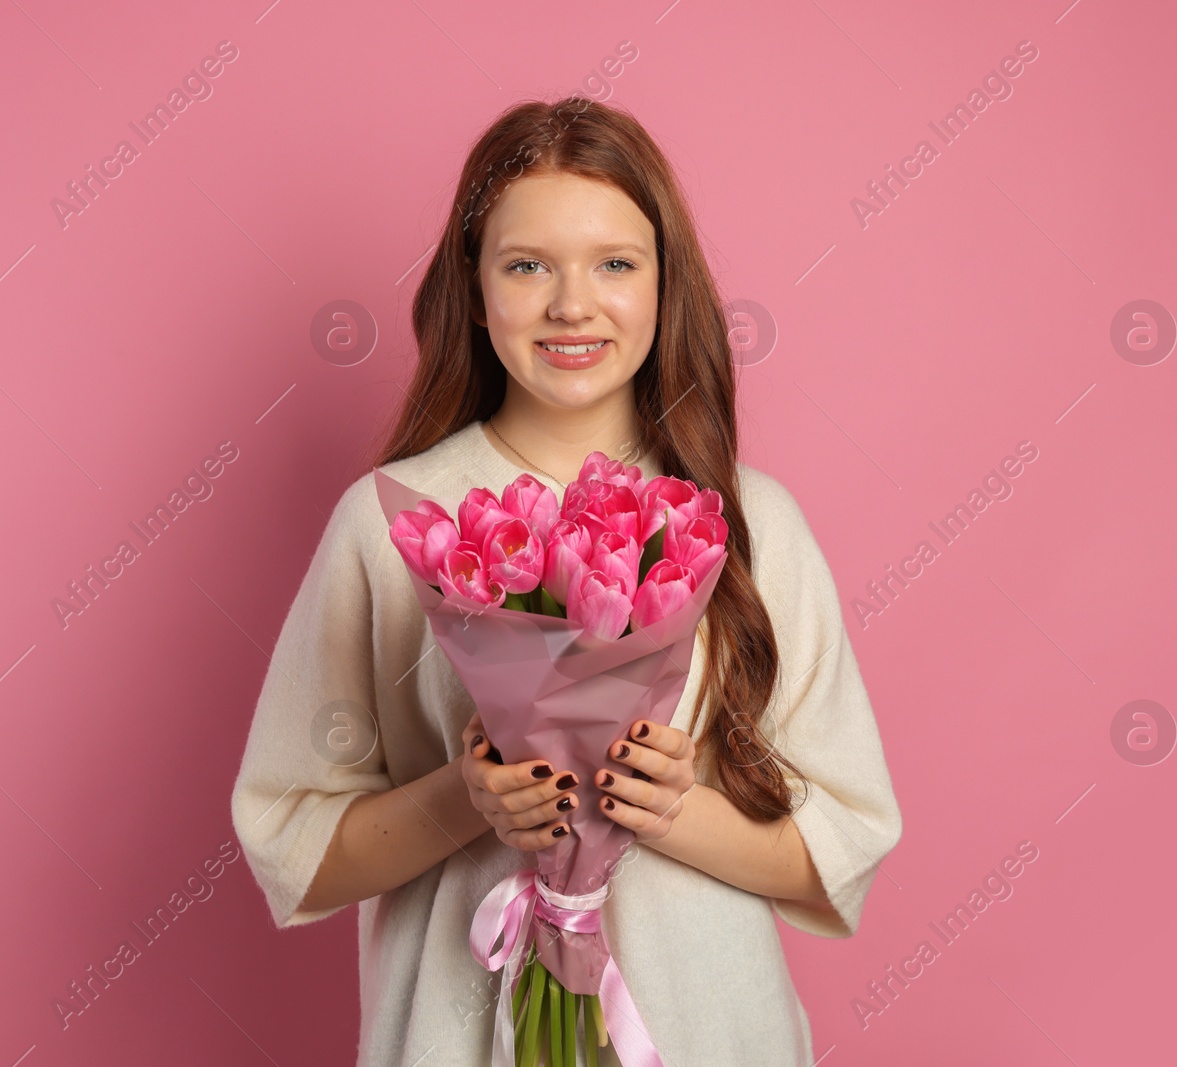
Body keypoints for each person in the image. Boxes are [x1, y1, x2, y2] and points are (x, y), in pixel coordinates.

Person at [230, 95, 903, 1066]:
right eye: (527, 264)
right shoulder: (390, 525)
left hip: (711, 1032)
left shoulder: (749, 523)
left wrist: (673, 806)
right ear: (475, 287)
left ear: (667, 284)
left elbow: (835, 849)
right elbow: (295, 843)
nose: (571, 304)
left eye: (615, 264)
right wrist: (468, 798)